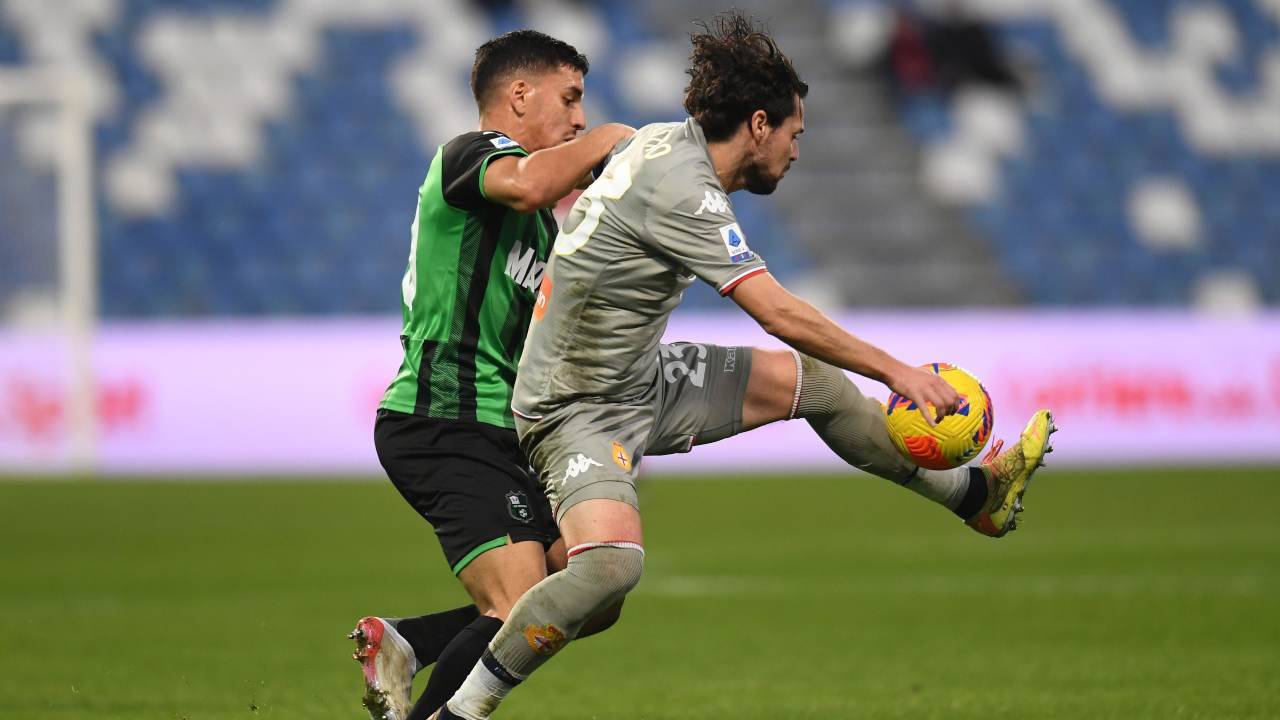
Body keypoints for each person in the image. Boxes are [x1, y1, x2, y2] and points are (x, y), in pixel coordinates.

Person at [431, 12, 1056, 720]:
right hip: (572, 406)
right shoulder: (683, 185)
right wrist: (898, 374)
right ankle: (464, 709)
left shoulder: (670, 152)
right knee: (610, 568)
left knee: (812, 385)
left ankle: (975, 497)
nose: (795, 151)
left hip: (640, 378)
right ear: (758, 124)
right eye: (794, 133)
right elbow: (777, 311)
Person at [350, 30, 634, 720]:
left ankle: (409, 644)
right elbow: (535, 179)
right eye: (569, 100)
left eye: (583, 107)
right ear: (518, 95)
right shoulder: (473, 155)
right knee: (515, 605)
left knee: (591, 587)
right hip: (444, 416)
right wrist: (616, 138)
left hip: (497, 428)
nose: (577, 119)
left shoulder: (539, 231)